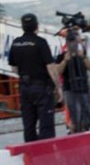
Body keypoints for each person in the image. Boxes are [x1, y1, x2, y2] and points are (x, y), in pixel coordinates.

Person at [8, 13, 62, 142]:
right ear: (36, 26)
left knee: (28, 124)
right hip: (42, 87)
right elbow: (50, 66)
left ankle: (30, 152)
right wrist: (57, 86)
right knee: (46, 124)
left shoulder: (16, 43)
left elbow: (13, 68)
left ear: (22, 26)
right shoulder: (40, 42)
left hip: (24, 87)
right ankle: (45, 153)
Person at [55, 29, 90, 133]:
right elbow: (58, 70)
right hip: (69, 89)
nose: (72, 44)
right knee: (74, 114)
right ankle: (74, 129)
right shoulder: (62, 56)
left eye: (74, 41)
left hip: (83, 88)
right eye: (70, 42)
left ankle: (89, 126)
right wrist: (65, 60)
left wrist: (82, 57)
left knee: (88, 112)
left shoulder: (82, 55)